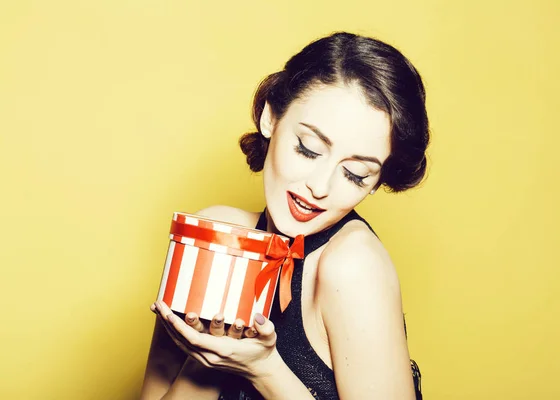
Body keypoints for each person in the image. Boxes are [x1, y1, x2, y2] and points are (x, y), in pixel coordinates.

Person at [140, 31, 429, 400]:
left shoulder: (354, 266)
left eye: (356, 174)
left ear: (376, 182)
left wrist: (264, 369)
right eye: (308, 149)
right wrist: (208, 354)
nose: (320, 187)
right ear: (270, 118)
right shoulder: (215, 237)